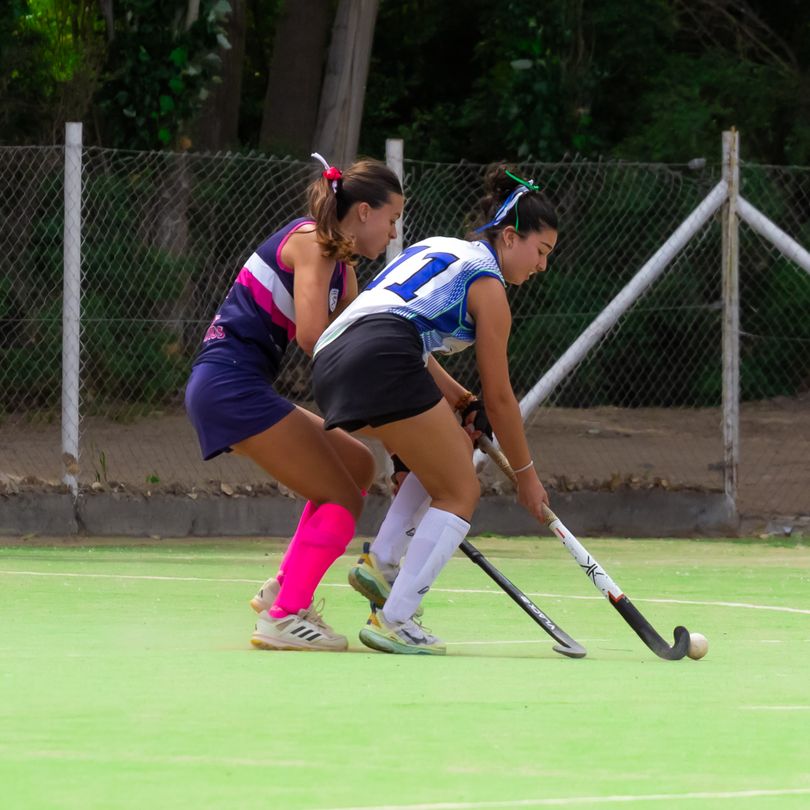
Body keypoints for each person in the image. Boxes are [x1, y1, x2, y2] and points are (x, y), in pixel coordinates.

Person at [311, 164, 558, 655]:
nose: (542, 265)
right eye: (542, 251)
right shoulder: (488, 285)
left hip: (331, 357)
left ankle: (379, 563)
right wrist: (527, 476)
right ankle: (396, 620)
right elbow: (502, 397)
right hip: (384, 357)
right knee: (461, 489)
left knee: (447, 454)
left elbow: (399, 326)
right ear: (510, 237)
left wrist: (458, 402)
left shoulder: (435, 247)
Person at [185, 153, 404, 652]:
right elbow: (313, 335)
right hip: (229, 386)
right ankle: (285, 617)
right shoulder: (313, 243)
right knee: (343, 498)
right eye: (392, 219)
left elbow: (359, 334)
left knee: (356, 463)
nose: (393, 233)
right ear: (365, 212)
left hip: (240, 385)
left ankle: (283, 588)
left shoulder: (339, 264)